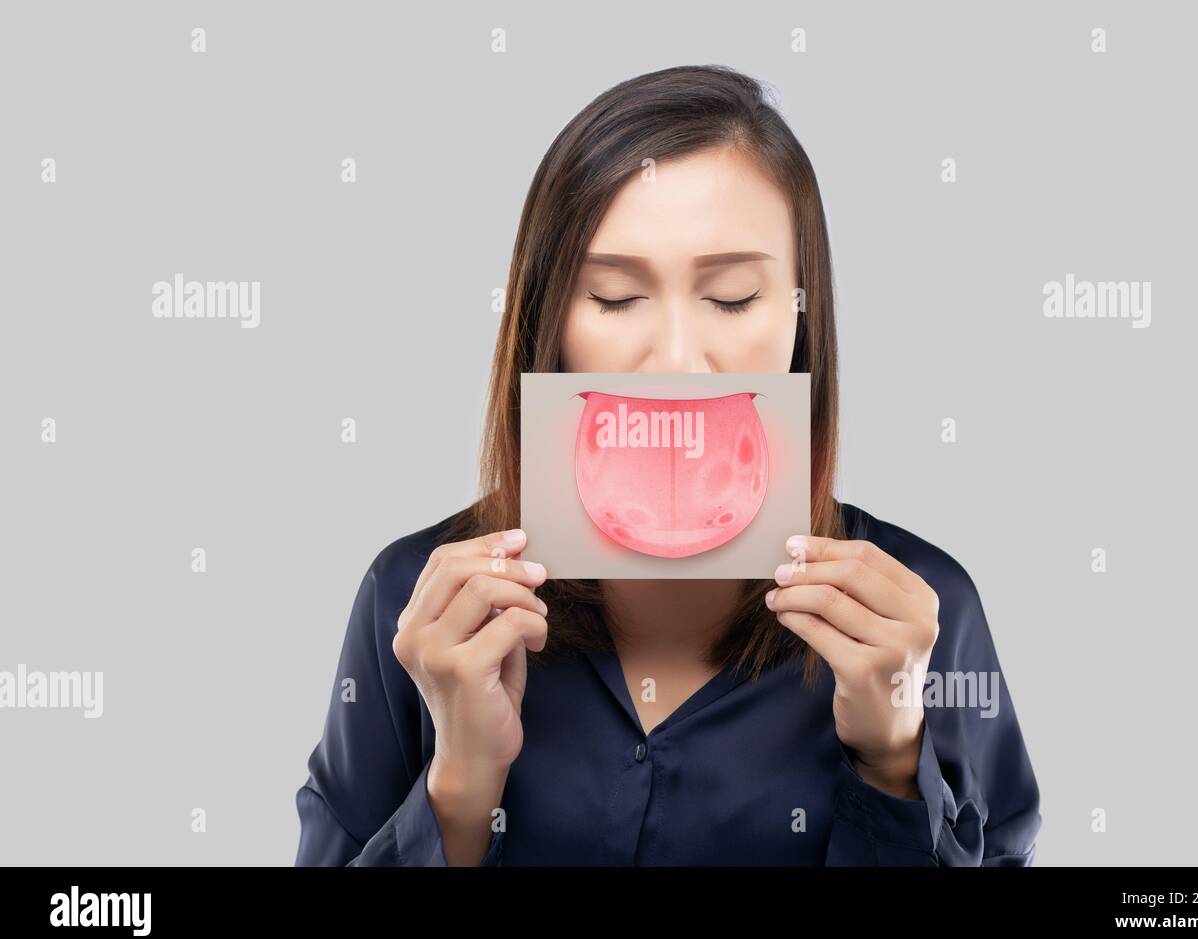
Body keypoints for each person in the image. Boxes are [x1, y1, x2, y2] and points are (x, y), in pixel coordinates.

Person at [293, 64, 1041, 866]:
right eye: (615, 298)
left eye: (733, 297)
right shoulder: (413, 604)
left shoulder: (924, 615)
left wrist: (893, 762)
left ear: (802, 318)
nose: (678, 361)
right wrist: (462, 787)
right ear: (548, 322)